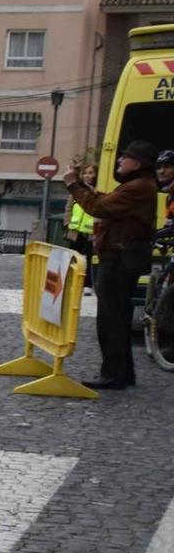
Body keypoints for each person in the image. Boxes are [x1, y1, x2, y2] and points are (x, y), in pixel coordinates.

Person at [62, 139, 162, 390]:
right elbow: (105, 199)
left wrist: (73, 185)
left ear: (137, 163)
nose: (120, 160)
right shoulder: (138, 185)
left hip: (119, 258)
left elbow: (98, 207)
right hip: (119, 256)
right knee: (117, 316)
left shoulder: (138, 187)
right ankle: (122, 372)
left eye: (125, 157)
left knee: (111, 319)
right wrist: (82, 184)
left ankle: (113, 374)